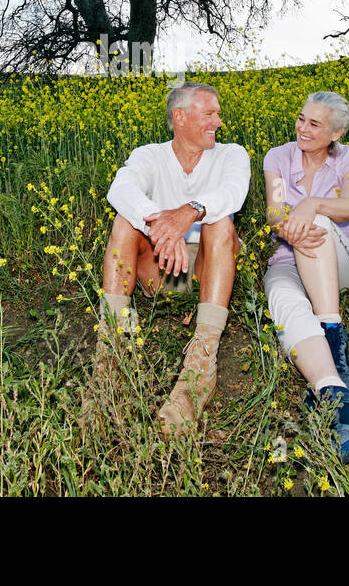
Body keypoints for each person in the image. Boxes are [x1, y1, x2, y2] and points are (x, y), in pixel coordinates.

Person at [94, 81, 250, 436]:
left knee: (220, 222)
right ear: (179, 117)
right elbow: (121, 188)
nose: (219, 122)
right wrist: (161, 224)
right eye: (209, 113)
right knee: (124, 220)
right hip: (160, 268)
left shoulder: (232, 154)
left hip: (206, 272)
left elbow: (234, 193)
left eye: (218, 114)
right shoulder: (149, 154)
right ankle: (113, 349)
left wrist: (190, 212)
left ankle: (200, 365)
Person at [262, 91, 349, 459]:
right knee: (282, 299)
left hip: (338, 263)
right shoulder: (278, 158)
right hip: (288, 255)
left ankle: (331, 328)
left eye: (314, 124)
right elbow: (274, 211)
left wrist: (311, 206)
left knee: (314, 220)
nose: (302, 128)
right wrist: (290, 225)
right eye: (301, 119)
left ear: (336, 132)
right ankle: (336, 394)